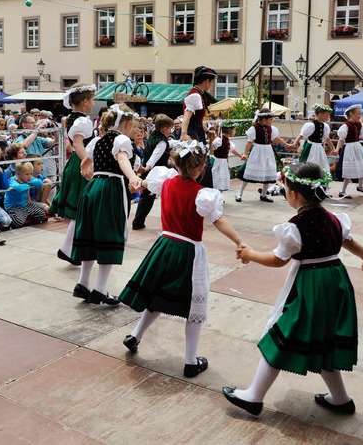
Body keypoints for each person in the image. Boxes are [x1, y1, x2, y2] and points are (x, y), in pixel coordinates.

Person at [223, 162, 363, 416]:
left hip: (311, 284)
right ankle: (340, 398)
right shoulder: (334, 218)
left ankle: (253, 396)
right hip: (336, 279)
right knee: (323, 337)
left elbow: (278, 260)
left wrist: (250, 254)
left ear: (293, 194)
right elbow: (349, 241)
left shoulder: (296, 225)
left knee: (284, 333)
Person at [118, 141, 245, 378]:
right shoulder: (203, 195)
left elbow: (144, 184)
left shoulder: (164, 182)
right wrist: (239, 241)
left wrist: (137, 183)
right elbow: (219, 220)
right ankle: (190, 361)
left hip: (164, 246)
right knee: (194, 307)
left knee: (156, 295)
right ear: (202, 167)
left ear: (175, 164)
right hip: (189, 251)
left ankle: (135, 335)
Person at [70, 104, 142, 306]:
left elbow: (85, 163)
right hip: (111, 187)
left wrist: (89, 175)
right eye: (133, 126)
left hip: (93, 188)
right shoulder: (121, 140)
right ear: (126, 124)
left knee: (90, 233)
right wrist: (133, 177)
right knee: (110, 233)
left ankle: (83, 283)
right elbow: (121, 159)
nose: (134, 130)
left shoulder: (97, 141)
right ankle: (100, 289)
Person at [49, 83, 97, 266]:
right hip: (80, 163)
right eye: (92, 99)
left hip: (76, 162)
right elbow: (77, 144)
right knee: (81, 209)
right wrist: (88, 162)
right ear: (85, 101)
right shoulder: (83, 121)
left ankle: (69, 248)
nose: (93, 103)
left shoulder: (72, 118)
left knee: (80, 211)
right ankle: (67, 249)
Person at [235, 109, 290, 203]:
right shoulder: (254, 128)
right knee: (249, 171)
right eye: (270, 120)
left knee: (268, 171)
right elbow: (249, 142)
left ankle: (263, 194)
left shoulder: (271, 128)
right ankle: (239, 193)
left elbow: (275, 138)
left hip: (267, 151)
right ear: (264, 120)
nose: (271, 122)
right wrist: (245, 153)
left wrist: (286, 144)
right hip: (257, 151)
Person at [132, 114, 176, 230]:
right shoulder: (161, 141)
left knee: (147, 198)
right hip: (155, 172)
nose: (171, 130)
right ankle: (138, 222)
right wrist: (147, 167)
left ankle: (138, 222)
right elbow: (155, 156)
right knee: (148, 198)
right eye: (170, 128)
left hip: (151, 170)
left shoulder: (153, 136)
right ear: (164, 129)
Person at [181, 66, 218, 188]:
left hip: (197, 131)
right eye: (211, 82)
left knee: (200, 163)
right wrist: (184, 134)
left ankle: (202, 191)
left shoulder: (198, 94)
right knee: (198, 163)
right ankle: (202, 192)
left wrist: (207, 131)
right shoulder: (195, 95)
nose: (211, 85)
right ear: (206, 81)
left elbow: (196, 119)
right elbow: (187, 115)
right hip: (193, 133)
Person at [333, 104, 363, 199]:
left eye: (360, 114)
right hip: (348, 148)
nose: (359, 116)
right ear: (351, 114)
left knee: (362, 165)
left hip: (357, 147)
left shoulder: (360, 124)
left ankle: (360, 186)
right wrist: (337, 149)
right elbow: (341, 139)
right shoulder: (345, 126)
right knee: (348, 170)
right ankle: (343, 191)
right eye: (358, 114)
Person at [291, 103, 335, 173]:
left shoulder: (325, 126)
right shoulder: (311, 125)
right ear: (320, 115)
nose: (328, 117)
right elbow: (301, 135)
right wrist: (294, 144)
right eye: (327, 115)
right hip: (310, 146)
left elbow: (327, 138)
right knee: (309, 162)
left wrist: (333, 148)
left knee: (321, 163)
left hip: (319, 147)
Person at [4, 161, 47, 229]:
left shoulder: (27, 179)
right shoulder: (12, 181)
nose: (29, 176)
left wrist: (27, 182)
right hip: (13, 206)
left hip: (25, 205)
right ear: (18, 174)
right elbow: (18, 188)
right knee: (18, 222)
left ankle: (26, 217)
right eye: (27, 174)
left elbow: (39, 182)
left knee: (41, 214)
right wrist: (27, 185)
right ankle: (11, 216)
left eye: (31, 174)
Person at [211, 121, 245, 191]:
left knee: (222, 179)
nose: (235, 131)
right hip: (218, 162)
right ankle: (216, 194)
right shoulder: (219, 140)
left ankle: (219, 195)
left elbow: (232, 150)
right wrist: (211, 140)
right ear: (230, 131)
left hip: (223, 163)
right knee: (217, 178)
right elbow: (212, 147)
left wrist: (240, 156)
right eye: (234, 130)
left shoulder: (227, 141)